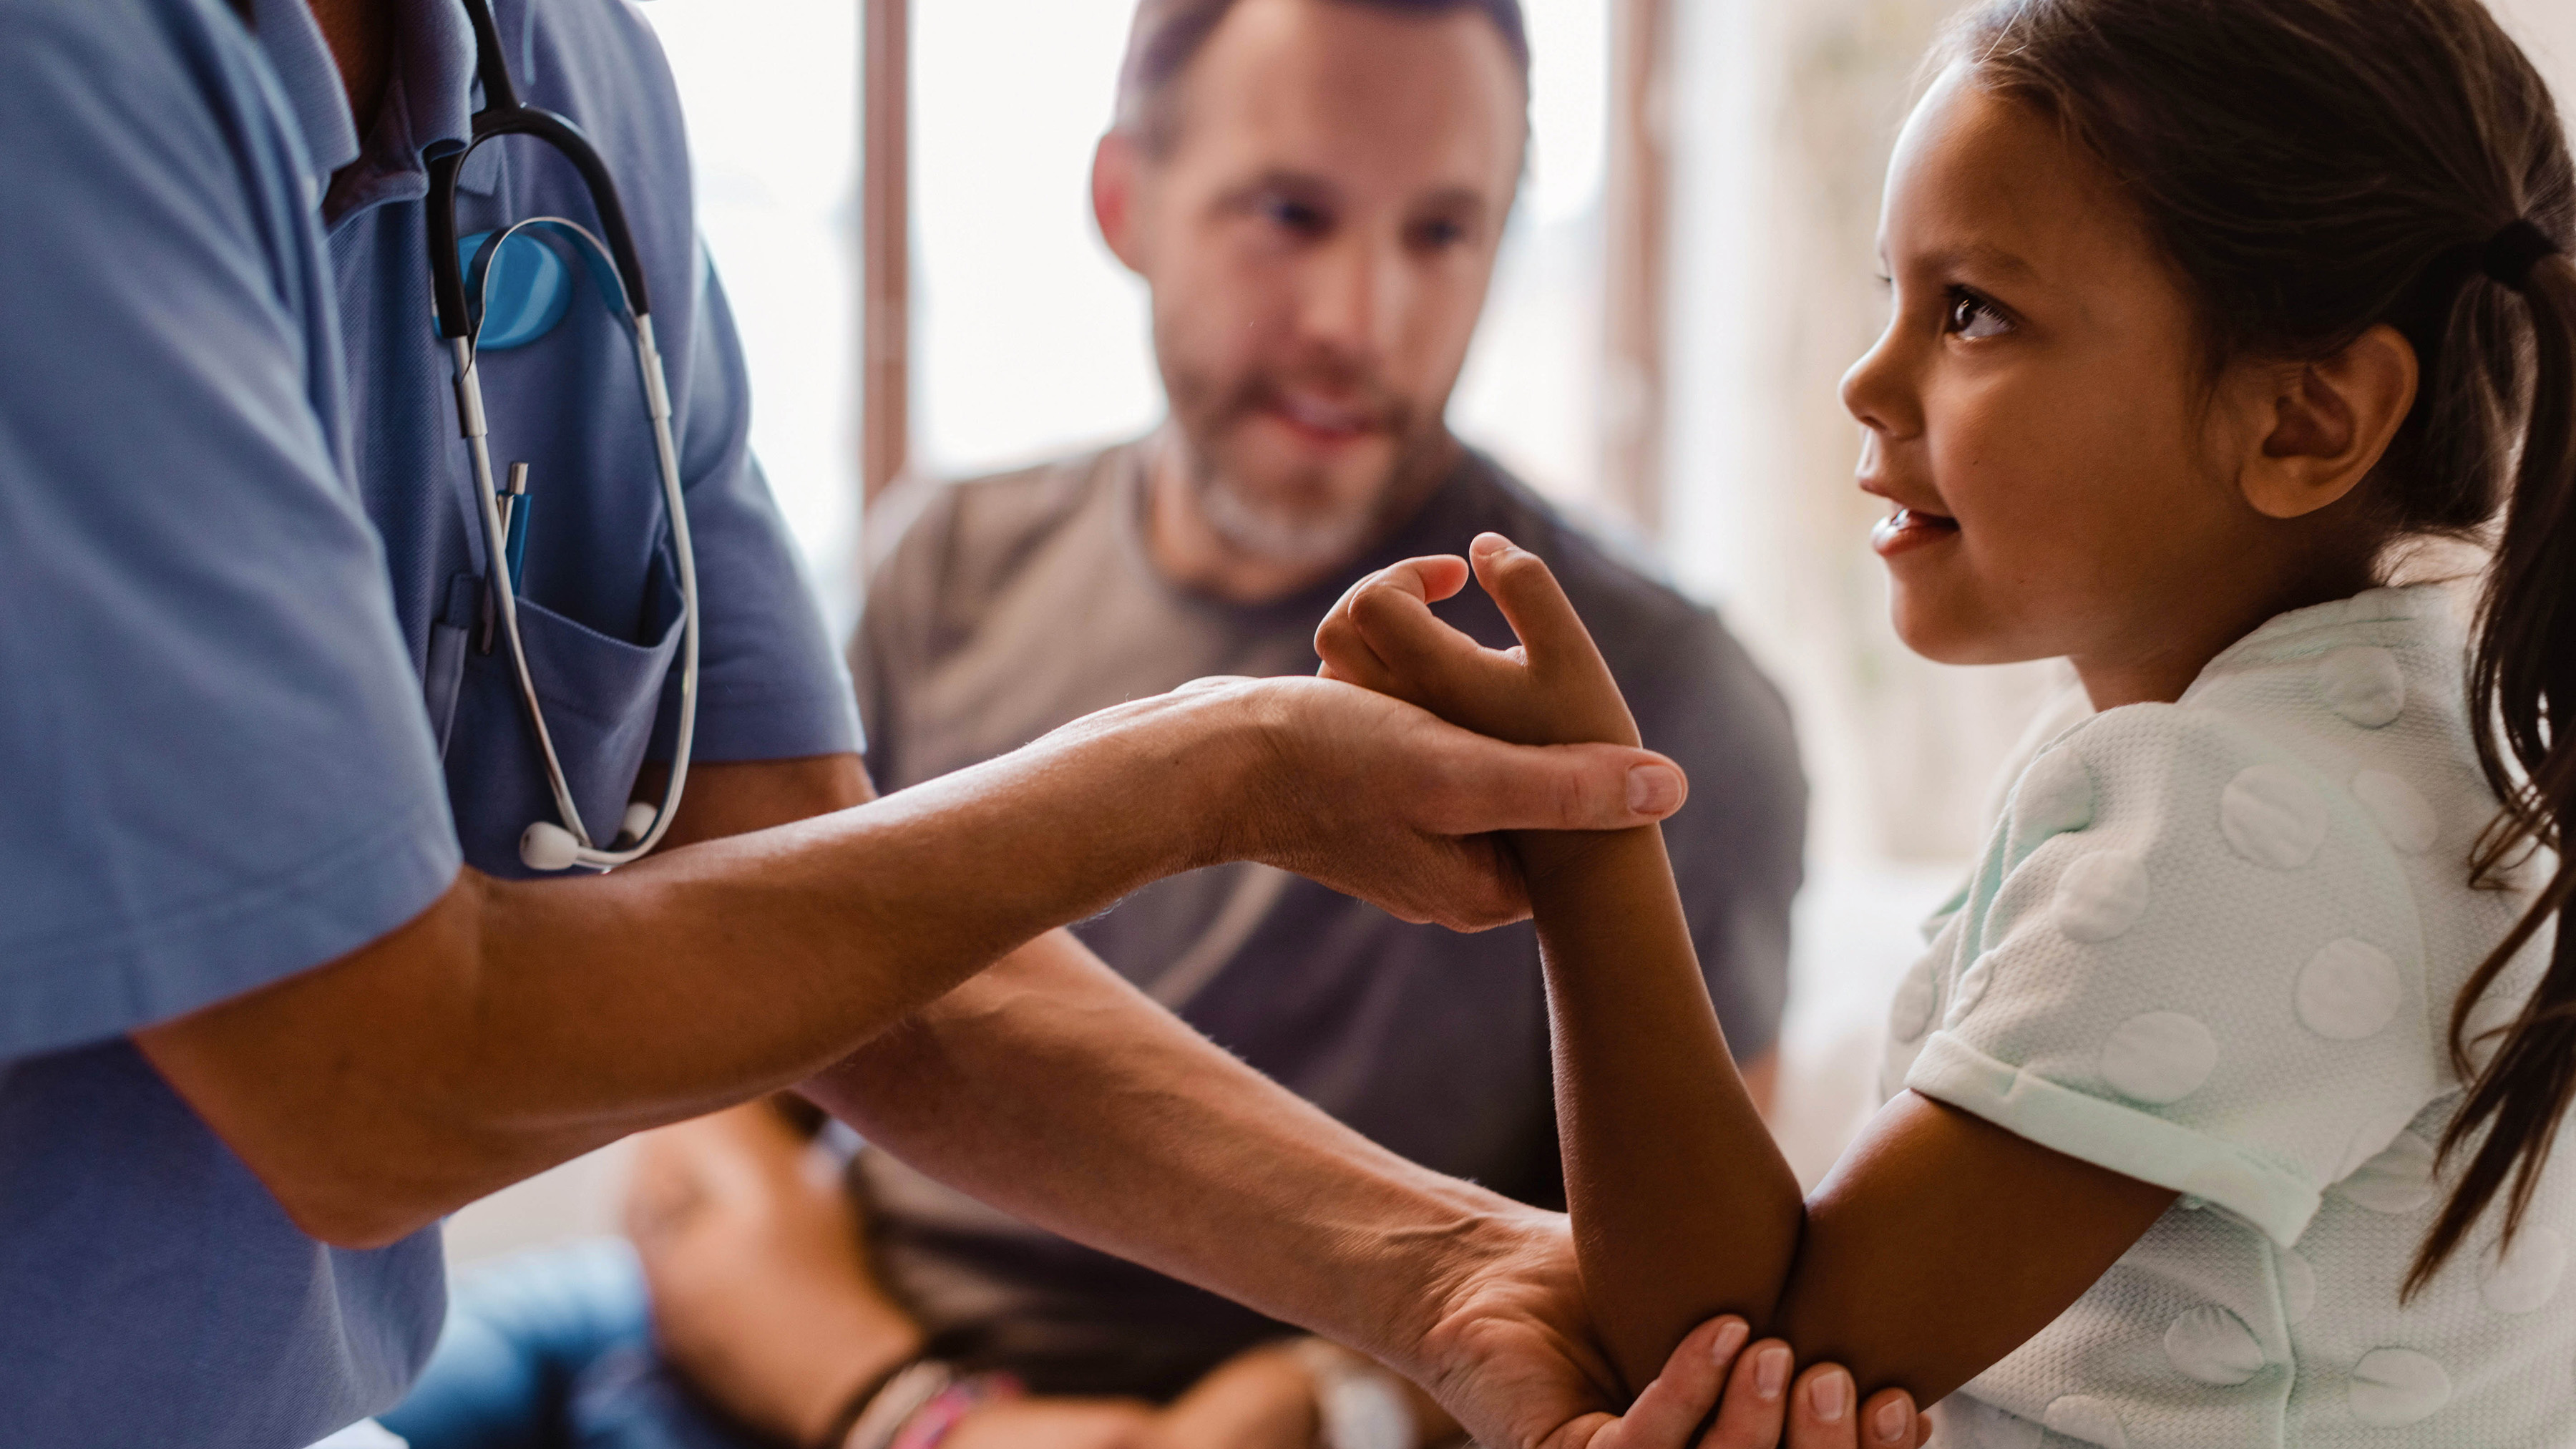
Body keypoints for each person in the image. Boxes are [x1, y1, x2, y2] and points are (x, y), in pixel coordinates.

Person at [0, 0, 1893, 1445]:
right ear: (1125, 203)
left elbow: (828, 941)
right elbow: (391, 1078)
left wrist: (1443, 1278)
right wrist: (1213, 766)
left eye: (1443, 233)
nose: (1355, 318)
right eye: (1286, 212)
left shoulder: (568, 90)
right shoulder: (75, 89)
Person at [1313, 0, 2576, 1440]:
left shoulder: (2234, 820)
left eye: (1972, 309)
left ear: (2303, 421)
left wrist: (1586, 822)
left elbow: (1736, 1347)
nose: (1867, 377)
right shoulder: (2436, 734)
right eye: (1890, 294)